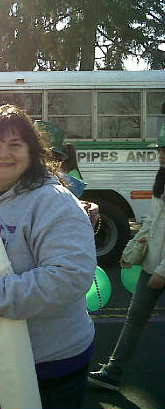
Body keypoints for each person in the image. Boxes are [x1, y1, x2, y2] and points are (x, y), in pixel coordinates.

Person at [0, 105, 96, 409]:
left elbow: (71, 276)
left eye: (15, 145)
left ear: (32, 152)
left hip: (46, 371)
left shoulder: (52, 202)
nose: (4, 153)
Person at [88, 145, 165, 391]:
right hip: (152, 264)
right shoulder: (161, 177)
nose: (160, 154)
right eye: (160, 149)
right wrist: (131, 250)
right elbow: (152, 222)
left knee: (135, 319)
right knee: (134, 319)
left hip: (160, 268)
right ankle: (113, 372)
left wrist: (163, 270)